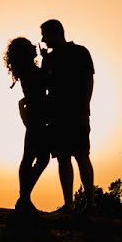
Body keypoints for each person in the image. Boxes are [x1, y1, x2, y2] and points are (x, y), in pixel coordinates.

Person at [39, 19, 96, 213]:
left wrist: (83, 108)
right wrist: (44, 61)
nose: (43, 39)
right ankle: (69, 204)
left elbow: (88, 82)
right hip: (57, 115)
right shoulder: (50, 59)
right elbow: (44, 85)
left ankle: (90, 203)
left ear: (56, 33)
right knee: (63, 158)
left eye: (45, 35)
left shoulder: (80, 52)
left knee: (81, 156)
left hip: (76, 114)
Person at [3, 37, 51, 213]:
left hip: (36, 115)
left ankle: (24, 198)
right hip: (37, 116)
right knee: (34, 157)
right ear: (25, 52)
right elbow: (43, 86)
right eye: (30, 45)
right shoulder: (28, 71)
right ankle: (24, 198)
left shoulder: (29, 69)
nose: (34, 46)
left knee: (35, 157)